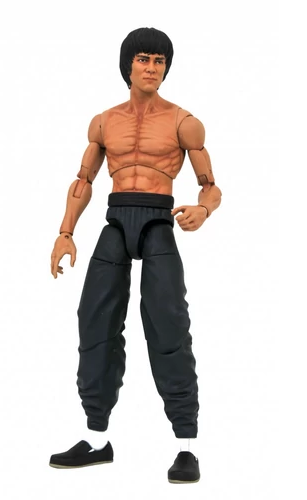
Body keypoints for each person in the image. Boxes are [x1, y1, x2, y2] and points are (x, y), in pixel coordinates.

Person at [49, 27, 221, 484]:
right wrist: (65, 232)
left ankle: (186, 447)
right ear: (128, 65)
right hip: (115, 221)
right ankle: (96, 439)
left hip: (158, 222)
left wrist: (203, 210)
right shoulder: (104, 122)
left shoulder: (184, 122)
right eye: (144, 59)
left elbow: (211, 186)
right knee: (95, 323)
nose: (152, 68)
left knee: (168, 326)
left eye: (159, 61)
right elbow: (83, 181)